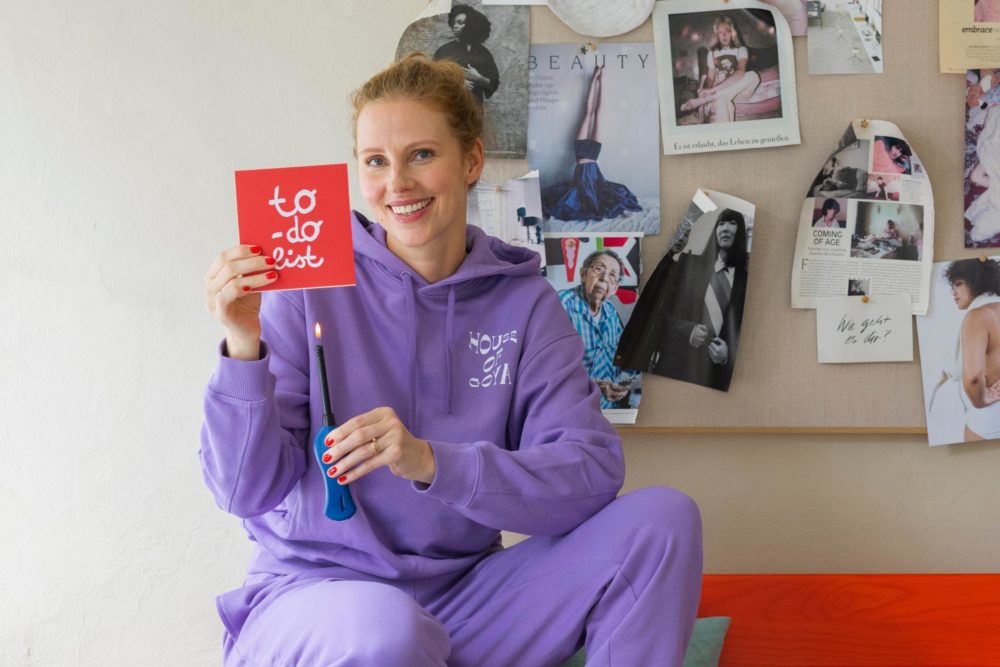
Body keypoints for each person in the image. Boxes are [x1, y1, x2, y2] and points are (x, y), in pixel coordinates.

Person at [200, 54, 702, 666]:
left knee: (663, 522)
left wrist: (433, 462)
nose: (397, 184)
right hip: (317, 597)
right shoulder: (309, 286)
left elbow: (590, 476)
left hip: (466, 599)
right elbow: (241, 491)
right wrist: (242, 345)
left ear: (471, 161)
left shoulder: (525, 304)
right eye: (375, 161)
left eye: (421, 155)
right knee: (387, 630)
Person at [648, 209, 750, 392]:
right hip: (675, 365)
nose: (725, 228)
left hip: (714, 376)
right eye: (721, 223)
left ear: (741, 232)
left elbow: (747, 330)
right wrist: (689, 330)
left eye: (732, 223)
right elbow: (663, 311)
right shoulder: (689, 264)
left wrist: (727, 354)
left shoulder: (746, 281)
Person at [542, 65, 643, 221]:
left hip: (592, 162)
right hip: (581, 155)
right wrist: (594, 78)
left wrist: (601, 81)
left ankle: (599, 79)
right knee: (589, 111)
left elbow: (598, 109)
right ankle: (596, 78)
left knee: (597, 112)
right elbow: (588, 109)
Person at [558, 249, 638, 409]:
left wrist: (626, 381)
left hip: (609, 407)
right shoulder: (561, 304)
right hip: (573, 408)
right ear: (583, 274)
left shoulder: (610, 310)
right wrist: (594, 384)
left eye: (612, 276)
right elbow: (548, 368)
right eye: (599, 269)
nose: (604, 278)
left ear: (615, 288)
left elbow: (622, 353)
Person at [931, 259, 1000, 441]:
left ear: (976, 281)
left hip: (989, 415)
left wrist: (982, 401)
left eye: (958, 284)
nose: (953, 292)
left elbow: (974, 379)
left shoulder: (979, 315)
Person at [678, 15, 762, 124]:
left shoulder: (741, 50)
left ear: (732, 32)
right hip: (720, 97)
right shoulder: (712, 54)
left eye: (727, 31)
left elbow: (740, 72)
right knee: (723, 101)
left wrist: (711, 92)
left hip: (738, 93)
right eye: (721, 32)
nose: (724, 35)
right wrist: (705, 90)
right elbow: (710, 78)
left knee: (754, 76)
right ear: (716, 34)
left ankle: (704, 100)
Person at [433, 4, 499, 106]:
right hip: (449, 107)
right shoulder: (444, 51)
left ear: (470, 24)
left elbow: (494, 84)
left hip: (475, 108)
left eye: (460, 23)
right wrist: (457, 84)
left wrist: (479, 78)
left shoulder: (483, 53)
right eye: (454, 23)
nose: (455, 26)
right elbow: (433, 79)